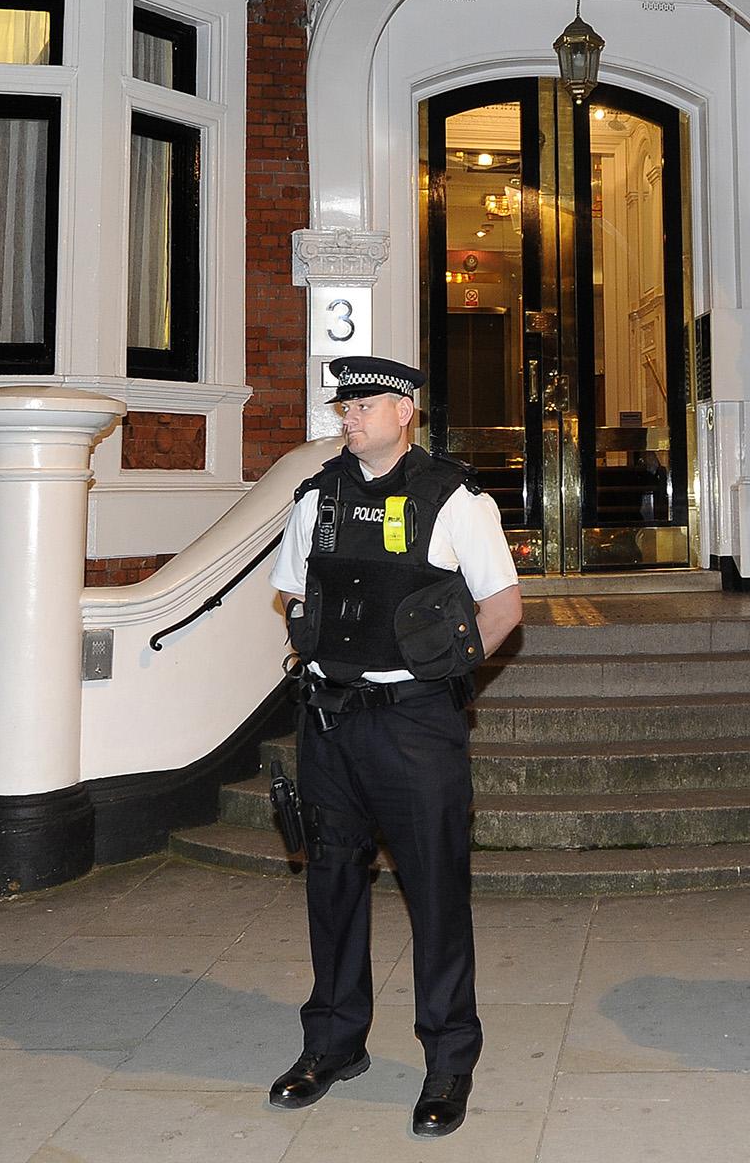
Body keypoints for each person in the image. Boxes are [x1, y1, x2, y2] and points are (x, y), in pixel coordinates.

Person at [267, 355, 522, 1139]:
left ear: (404, 411)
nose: (347, 416)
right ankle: (333, 1044)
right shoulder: (318, 496)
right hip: (331, 721)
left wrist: (440, 675)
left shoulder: (454, 497)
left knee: (436, 894)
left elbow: (504, 606)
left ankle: (448, 1058)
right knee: (332, 885)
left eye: (364, 404)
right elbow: (293, 594)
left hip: (414, 724)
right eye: (343, 404)